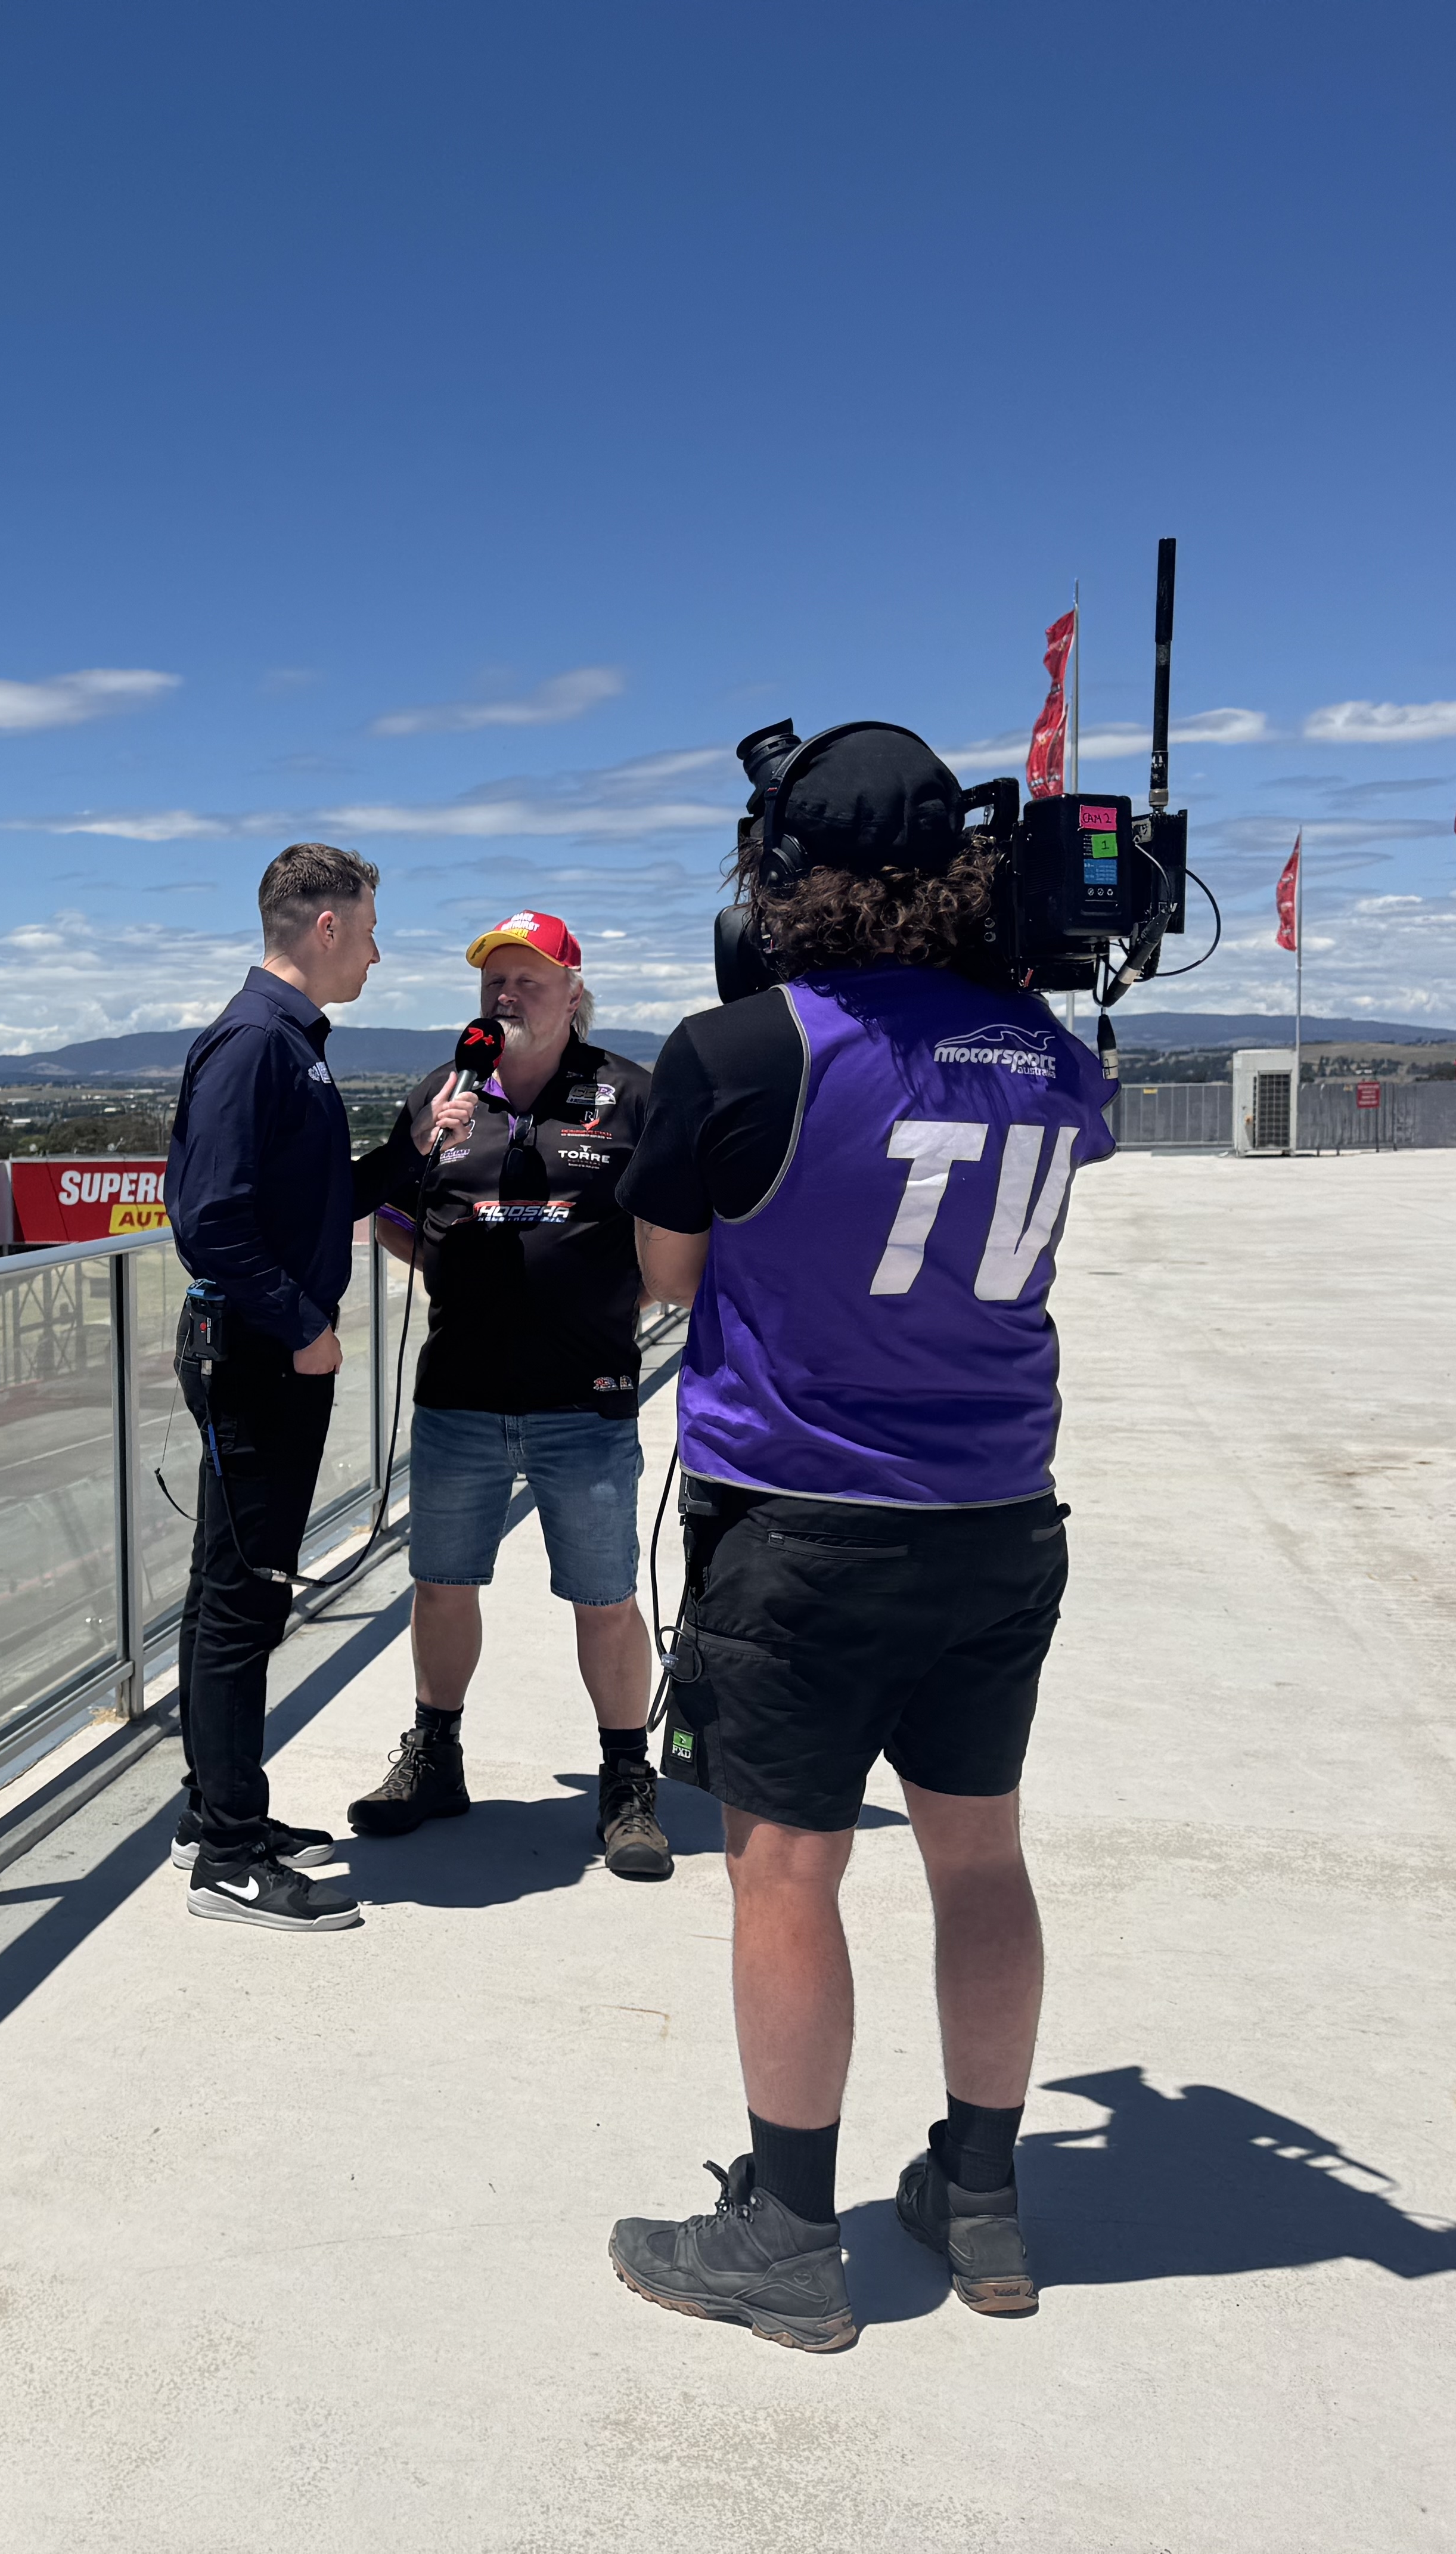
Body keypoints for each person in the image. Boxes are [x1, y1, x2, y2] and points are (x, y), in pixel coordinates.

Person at [603, 722, 1114, 2348]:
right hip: (996, 1514)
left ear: (781, 874)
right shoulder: (1044, 1043)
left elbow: (672, 1276)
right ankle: (979, 2193)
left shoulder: (744, 1047)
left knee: (786, 1869)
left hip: (806, 1520)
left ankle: (785, 2230)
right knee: (981, 1855)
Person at [347, 909, 673, 1879]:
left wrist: (611, 1294)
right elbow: (398, 1217)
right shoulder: (442, 1096)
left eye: (528, 976)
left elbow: (671, 1237)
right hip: (460, 1393)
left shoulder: (629, 1096)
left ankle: (624, 1780)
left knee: (605, 1596)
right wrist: (450, 1262)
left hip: (589, 1397)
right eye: (494, 977)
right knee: (443, 1582)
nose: (506, 992)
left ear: (573, 991)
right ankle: (435, 1755)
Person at [164, 841, 424, 1933]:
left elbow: (315, 1206)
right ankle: (227, 1854)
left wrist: (413, 1149)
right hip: (261, 1359)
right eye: (367, 927)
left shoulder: (291, 1047)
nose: (374, 948)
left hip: (269, 1353)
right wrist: (306, 1323)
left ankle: (212, 1811)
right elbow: (209, 1220)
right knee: (243, 1601)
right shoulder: (256, 1045)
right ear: (324, 927)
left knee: (232, 1588)